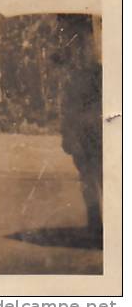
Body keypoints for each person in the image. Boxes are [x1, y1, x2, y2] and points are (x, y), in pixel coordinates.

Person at [56, 14, 103, 239]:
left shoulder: (82, 71)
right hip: (89, 132)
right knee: (92, 178)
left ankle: (98, 225)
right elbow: (70, 106)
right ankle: (97, 224)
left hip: (93, 130)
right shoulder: (78, 71)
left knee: (94, 178)